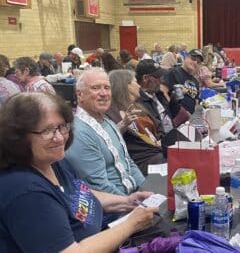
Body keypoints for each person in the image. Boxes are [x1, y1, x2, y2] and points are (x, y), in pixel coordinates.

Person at [0, 92, 158, 252]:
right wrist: (130, 224)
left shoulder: (53, 161)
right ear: (17, 137)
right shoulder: (26, 192)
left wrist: (126, 202)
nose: (60, 138)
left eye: (62, 127)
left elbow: (79, 195)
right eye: (47, 131)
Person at [65, 68, 145, 196]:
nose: (104, 93)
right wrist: (134, 204)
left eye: (107, 88)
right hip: (113, 210)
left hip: (131, 196)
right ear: (80, 94)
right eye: (95, 88)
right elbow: (99, 186)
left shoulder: (108, 122)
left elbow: (128, 162)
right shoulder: (79, 133)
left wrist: (146, 189)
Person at [107, 70, 166, 175]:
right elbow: (110, 139)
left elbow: (158, 125)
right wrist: (123, 125)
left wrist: (160, 139)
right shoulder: (111, 113)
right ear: (127, 86)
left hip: (157, 151)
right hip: (141, 161)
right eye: (135, 82)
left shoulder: (138, 106)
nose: (139, 86)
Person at [163, 49, 201, 114]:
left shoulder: (195, 81)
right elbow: (163, 94)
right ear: (186, 58)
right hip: (175, 117)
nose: (195, 62)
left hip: (189, 119)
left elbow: (196, 101)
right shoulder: (173, 72)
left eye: (198, 62)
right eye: (193, 59)